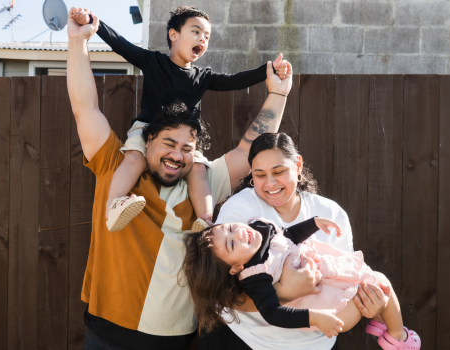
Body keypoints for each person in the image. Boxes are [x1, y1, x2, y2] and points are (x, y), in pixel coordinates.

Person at [66, 8, 294, 349]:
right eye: (169, 144)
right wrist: (77, 41)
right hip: (106, 334)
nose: (177, 154)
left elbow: (249, 151)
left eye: (186, 147)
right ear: (148, 142)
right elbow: (86, 109)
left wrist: (278, 92)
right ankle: (117, 207)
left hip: (173, 340)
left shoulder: (204, 180)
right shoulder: (116, 165)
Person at [70, 6, 289, 232]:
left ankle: (204, 219)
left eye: (207, 37)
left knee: (198, 170)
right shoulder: (153, 61)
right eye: (196, 32)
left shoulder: (203, 77)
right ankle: (113, 205)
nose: (202, 39)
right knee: (135, 159)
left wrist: (268, 70)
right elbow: (121, 43)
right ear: (173, 34)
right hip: (147, 129)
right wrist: (93, 23)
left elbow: (235, 81)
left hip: (185, 137)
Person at [198, 133, 392, 350]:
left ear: (298, 165)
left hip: (314, 343)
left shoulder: (331, 214)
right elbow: (221, 294)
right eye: (260, 175)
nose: (270, 183)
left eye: (279, 172)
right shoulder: (240, 214)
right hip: (245, 339)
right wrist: (285, 291)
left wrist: (372, 305)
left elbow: (349, 281)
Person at [182, 215, 421, 349]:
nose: (239, 234)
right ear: (236, 267)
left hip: (330, 276)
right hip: (327, 307)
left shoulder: (260, 229)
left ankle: (384, 327)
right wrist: (317, 317)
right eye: (232, 244)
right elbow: (272, 313)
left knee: (376, 282)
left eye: (232, 228)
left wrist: (314, 223)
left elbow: (288, 235)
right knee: (379, 282)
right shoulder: (255, 275)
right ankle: (397, 338)